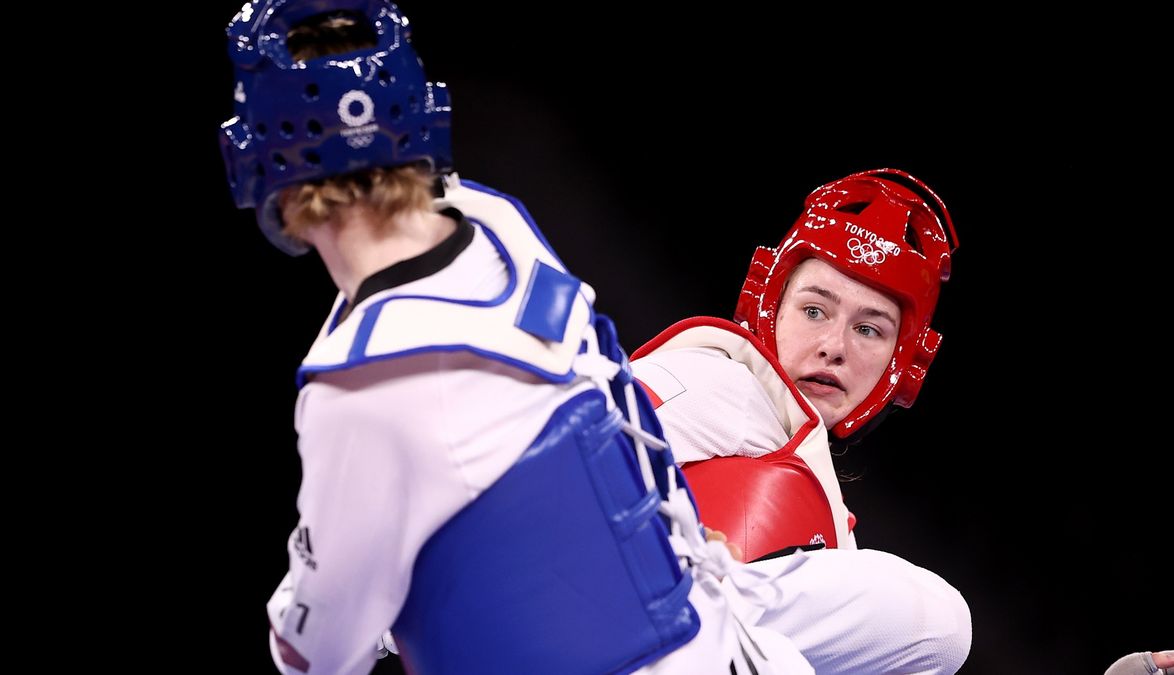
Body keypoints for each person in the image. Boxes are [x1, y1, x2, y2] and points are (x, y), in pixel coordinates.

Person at [218, 1, 813, 673]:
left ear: (266, 161)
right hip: (727, 639)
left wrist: (308, 582)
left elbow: (318, 653)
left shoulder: (356, 387)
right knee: (930, 619)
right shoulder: (497, 223)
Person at [631, 169, 973, 674]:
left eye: (867, 329)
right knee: (940, 620)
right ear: (768, 307)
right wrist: (664, 555)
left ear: (902, 364)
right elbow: (565, 447)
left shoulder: (828, 528)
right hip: (597, 625)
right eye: (814, 311)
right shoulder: (716, 381)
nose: (834, 347)